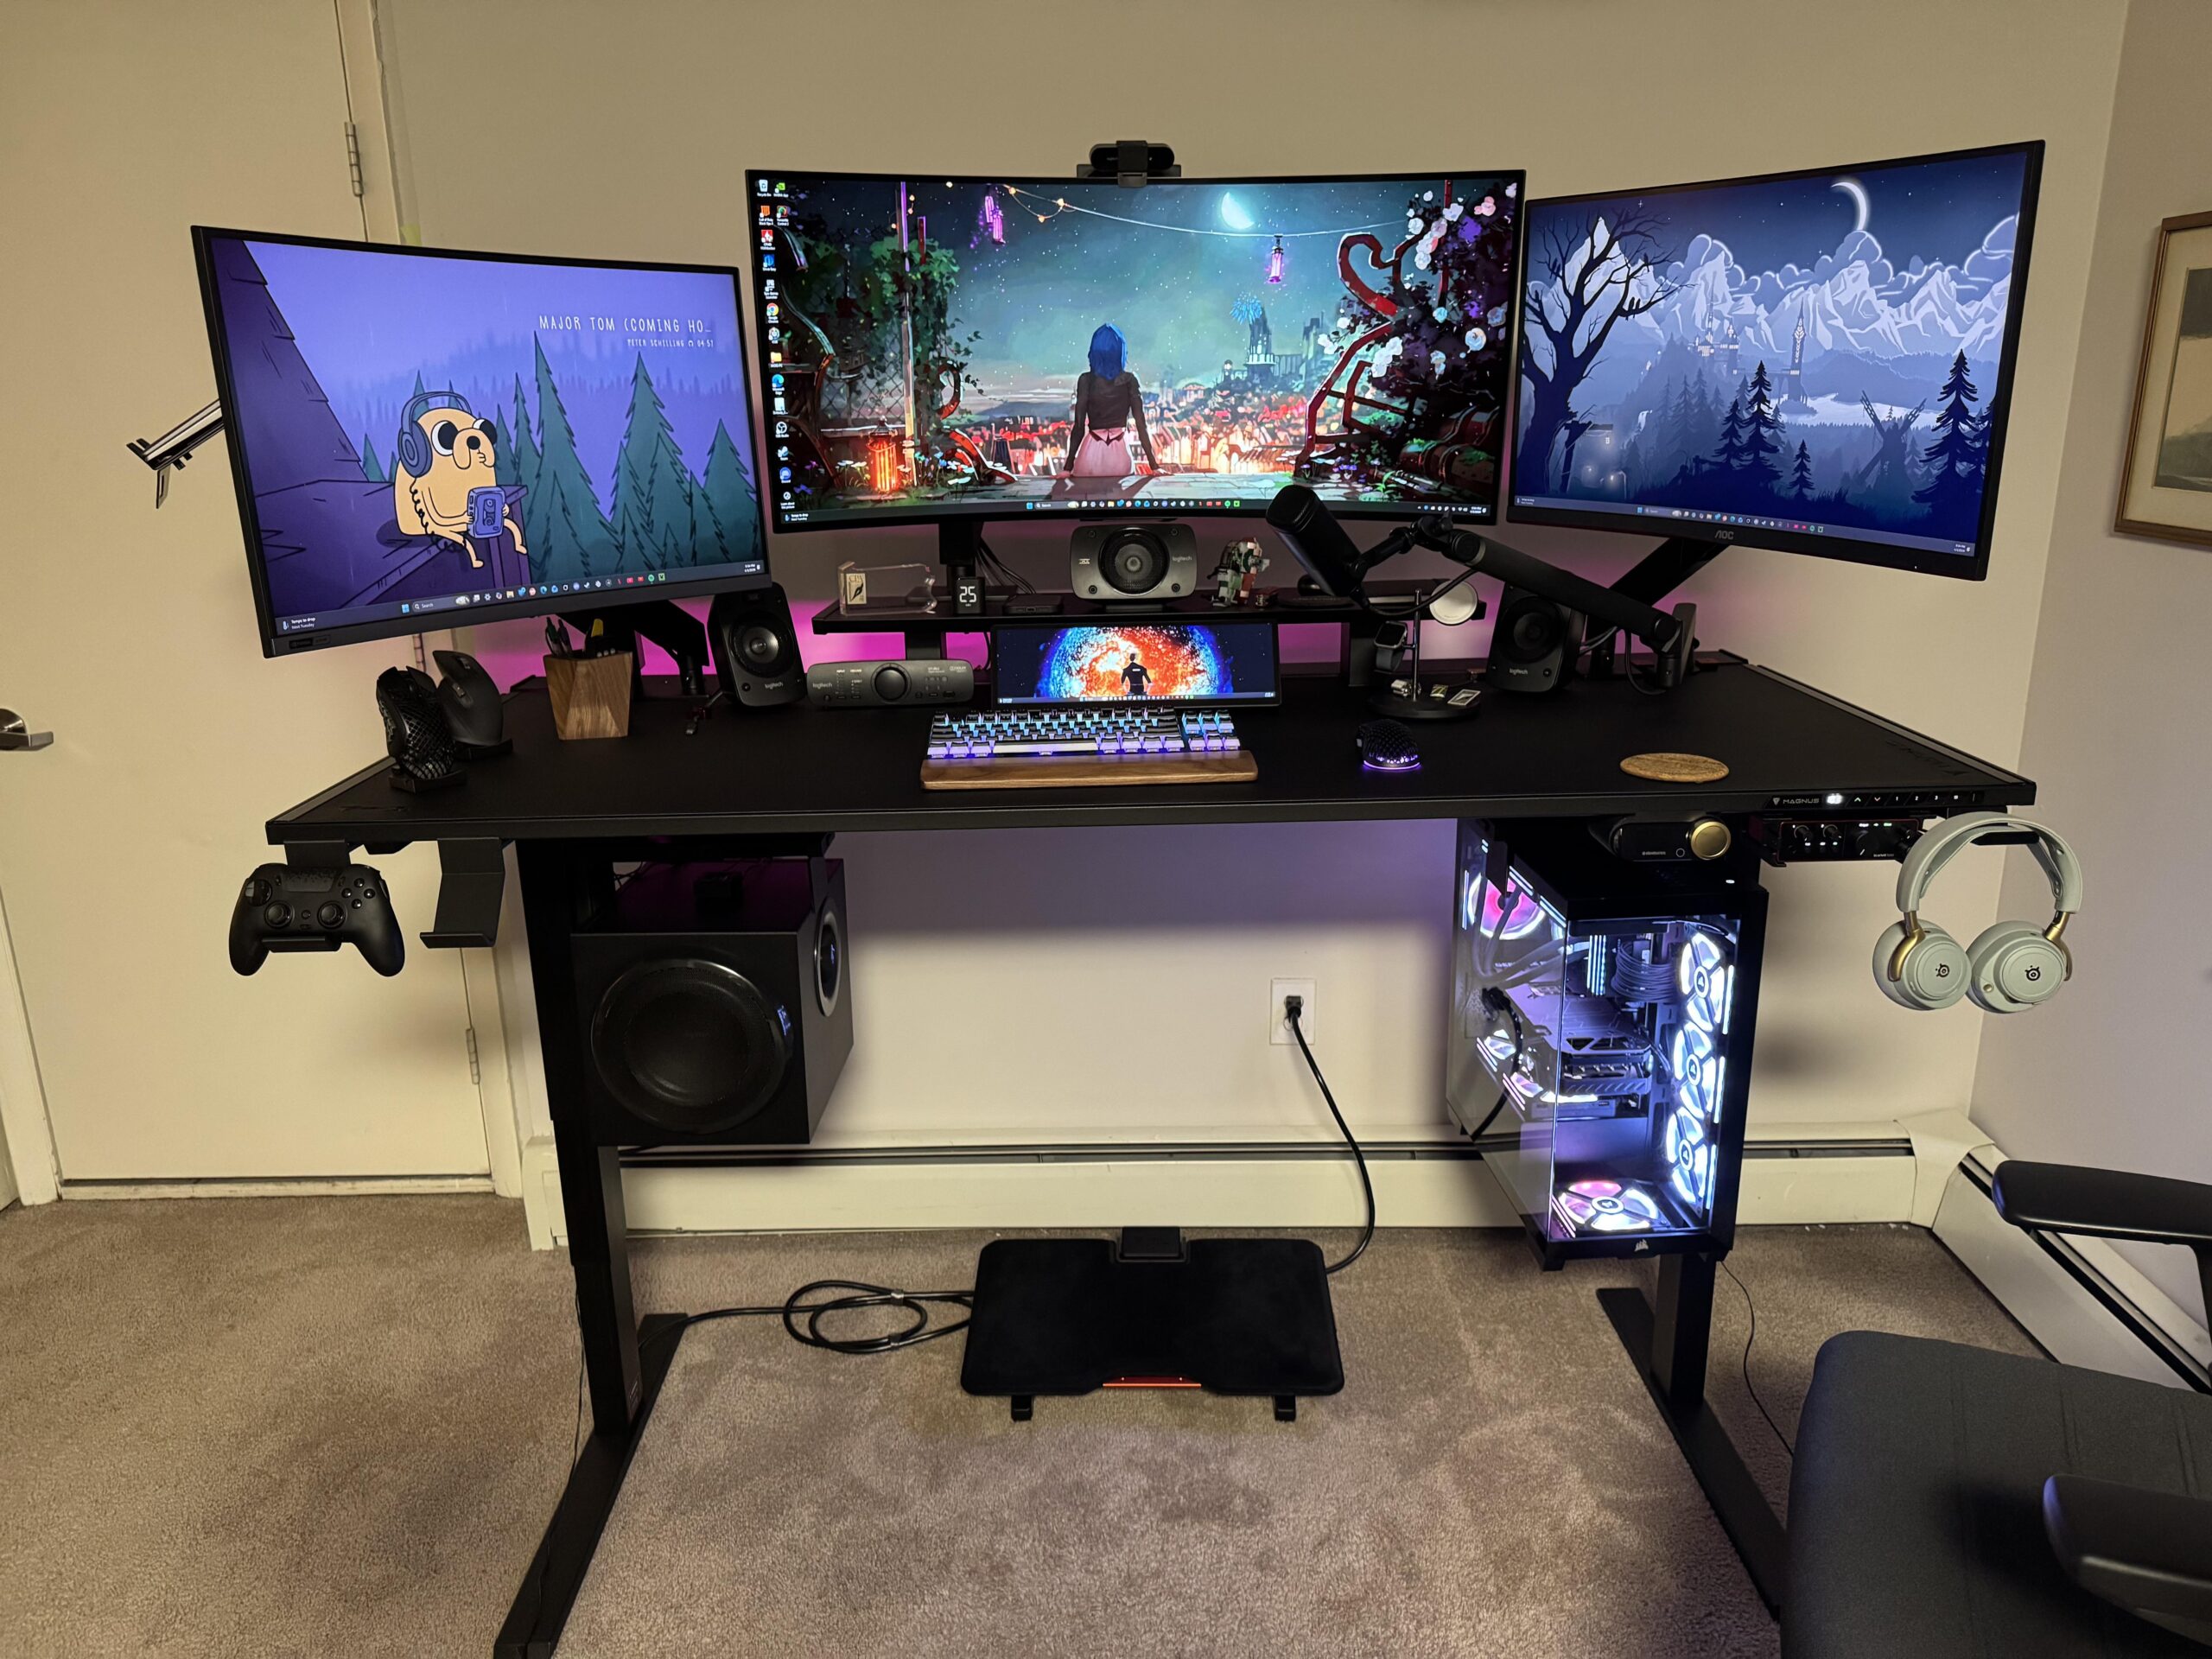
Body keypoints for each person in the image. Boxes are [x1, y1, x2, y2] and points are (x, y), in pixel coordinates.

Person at [1068, 324, 1162, 476]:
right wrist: (1154, 466)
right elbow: (1141, 425)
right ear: (1120, 352)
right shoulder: (1130, 380)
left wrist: (1067, 468)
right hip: (1120, 456)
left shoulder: (1085, 380)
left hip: (1090, 454)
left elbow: (1078, 427)